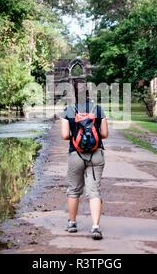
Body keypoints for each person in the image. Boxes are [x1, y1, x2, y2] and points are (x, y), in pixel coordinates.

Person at [60, 79, 109, 240]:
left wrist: (77, 134)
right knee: (94, 191)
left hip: (76, 154)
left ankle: (72, 223)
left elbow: (65, 135)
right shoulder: (98, 109)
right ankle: (95, 227)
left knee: (74, 190)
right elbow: (104, 134)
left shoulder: (68, 110)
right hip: (96, 154)